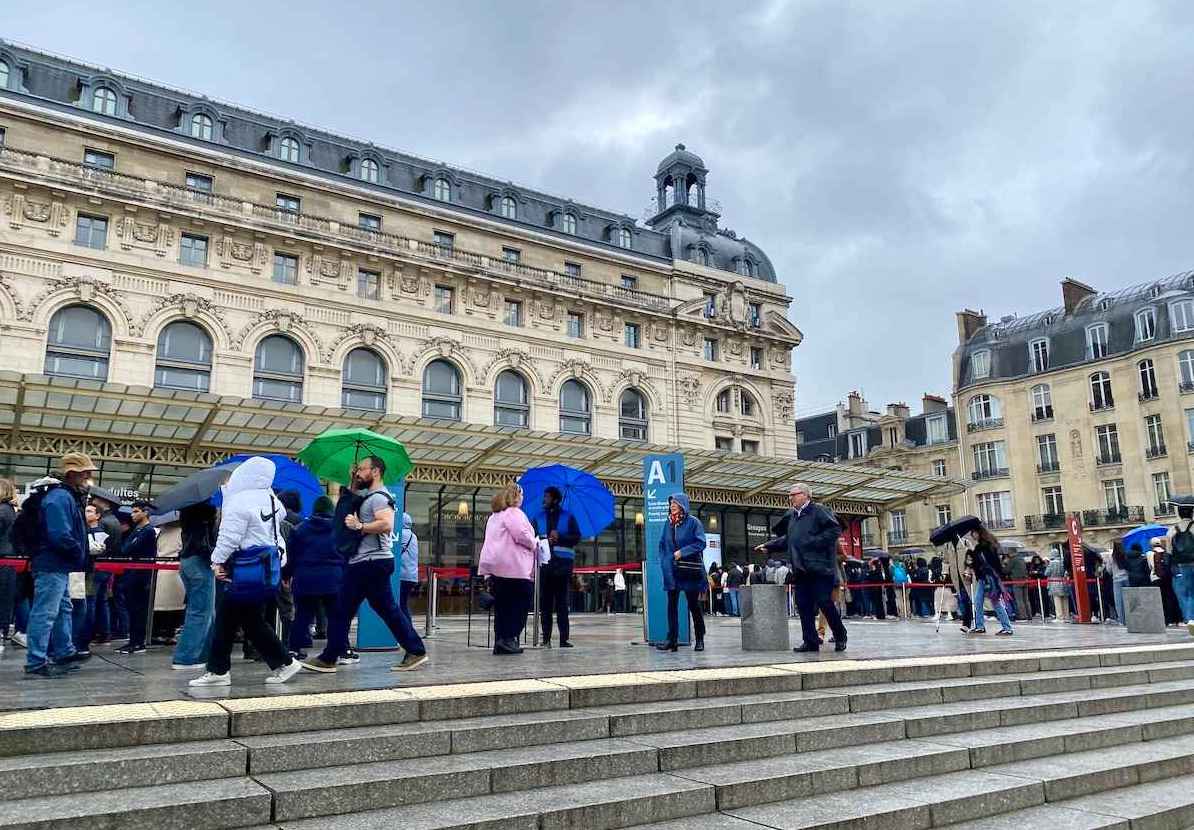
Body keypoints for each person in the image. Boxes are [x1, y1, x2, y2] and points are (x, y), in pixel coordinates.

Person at [304, 456, 428, 673]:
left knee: (343, 610)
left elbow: (387, 524)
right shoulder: (370, 496)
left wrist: (359, 525)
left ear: (376, 471)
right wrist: (352, 485)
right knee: (379, 609)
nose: (358, 473)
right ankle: (414, 650)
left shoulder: (379, 498)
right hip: (369, 562)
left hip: (369, 562)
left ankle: (330, 657)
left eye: (362, 469)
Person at [190, 457, 300, 686]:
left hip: (243, 566)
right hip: (263, 567)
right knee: (239, 618)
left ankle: (282, 663)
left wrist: (217, 561)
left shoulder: (239, 501)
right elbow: (275, 536)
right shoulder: (272, 501)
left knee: (241, 618)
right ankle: (220, 669)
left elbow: (229, 537)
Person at [23, 454, 95, 677]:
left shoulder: (61, 496)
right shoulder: (61, 497)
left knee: (62, 608)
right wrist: (77, 551)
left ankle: (64, 651)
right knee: (46, 612)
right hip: (53, 563)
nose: (89, 477)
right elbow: (60, 533)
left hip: (55, 563)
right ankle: (36, 661)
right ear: (72, 474)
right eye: (85, 473)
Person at [758, 483, 847, 653]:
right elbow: (789, 540)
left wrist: (813, 542)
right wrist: (769, 546)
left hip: (820, 568)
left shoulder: (819, 510)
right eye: (790, 495)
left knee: (824, 602)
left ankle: (840, 634)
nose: (791, 497)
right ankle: (810, 641)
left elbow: (834, 529)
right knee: (803, 605)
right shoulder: (793, 516)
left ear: (806, 495)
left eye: (794, 494)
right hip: (801, 569)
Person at [477, 482, 537, 655]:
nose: (523, 499)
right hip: (514, 567)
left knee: (502, 606)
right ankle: (509, 639)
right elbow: (521, 535)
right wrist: (535, 543)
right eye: (522, 495)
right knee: (520, 603)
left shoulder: (494, 516)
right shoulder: (514, 513)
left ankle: (500, 641)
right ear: (516, 496)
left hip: (496, 568)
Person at [284, 495, 341, 659]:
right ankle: (340, 650)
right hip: (333, 579)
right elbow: (346, 553)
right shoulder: (338, 529)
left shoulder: (300, 529)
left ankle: (294, 649)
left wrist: (286, 575)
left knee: (302, 615)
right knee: (336, 616)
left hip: (305, 578)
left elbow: (292, 555)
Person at [656, 493, 706, 652]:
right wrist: (664, 560)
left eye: (675, 503)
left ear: (683, 505)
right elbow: (663, 544)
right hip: (672, 571)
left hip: (689, 570)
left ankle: (699, 639)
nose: (672, 505)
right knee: (672, 606)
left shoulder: (693, 522)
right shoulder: (668, 523)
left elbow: (700, 543)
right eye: (671, 503)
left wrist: (682, 552)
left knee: (693, 605)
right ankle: (672, 640)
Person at [172, 502, 218, 669]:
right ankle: (187, 657)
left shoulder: (187, 514)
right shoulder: (204, 519)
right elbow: (204, 545)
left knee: (206, 611)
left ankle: (204, 654)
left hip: (187, 561)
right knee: (200, 612)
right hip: (201, 563)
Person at [535, 486, 580, 648]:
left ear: (554, 499)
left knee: (562, 604)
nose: (544, 499)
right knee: (545, 605)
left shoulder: (568, 517)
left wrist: (560, 537)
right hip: (545, 566)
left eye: (546, 497)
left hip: (562, 567)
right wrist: (545, 539)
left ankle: (564, 639)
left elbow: (576, 538)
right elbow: (533, 538)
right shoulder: (538, 518)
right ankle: (546, 639)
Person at [114, 501, 157, 655]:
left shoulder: (148, 531)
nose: (133, 515)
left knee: (138, 610)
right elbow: (124, 547)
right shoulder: (137, 530)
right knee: (133, 609)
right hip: (131, 574)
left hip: (141, 576)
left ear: (145, 513)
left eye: (136, 511)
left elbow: (128, 549)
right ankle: (133, 641)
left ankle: (138, 642)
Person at [87, 491, 123, 643]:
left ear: (104, 503)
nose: (93, 501)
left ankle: (90, 633)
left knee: (91, 600)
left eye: (95, 500)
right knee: (103, 600)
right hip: (109, 565)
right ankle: (105, 632)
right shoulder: (115, 520)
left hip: (98, 565)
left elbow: (97, 545)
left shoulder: (102, 523)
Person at [963, 527, 1013, 635]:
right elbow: (976, 562)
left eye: (974, 533)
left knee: (995, 602)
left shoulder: (985, 546)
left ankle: (1007, 627)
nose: (973, 535)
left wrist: (972, 551)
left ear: (979, 533)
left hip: (989, 578)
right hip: (983, 578)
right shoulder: (982, 546)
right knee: (978, 601)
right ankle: (980, 626)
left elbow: (985, 562)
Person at [1170, 510, 1194, 634]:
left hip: (1181, 565)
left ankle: (1190, 619)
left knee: (1187, 594)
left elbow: (1169, 551)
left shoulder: (1173, 529)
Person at [0, 479, 18, 642]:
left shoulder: (2, 511)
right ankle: (3, 629)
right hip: (10, 560)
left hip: (3, 558)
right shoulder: (11, 510)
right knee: (6, 598)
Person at [397, 512, 419, 627]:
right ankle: (406, 629)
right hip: (411, 576)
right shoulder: (413, 535)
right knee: (403, 603)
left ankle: (407, 630)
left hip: (403, 575)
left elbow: (395, 550)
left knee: (401, 604)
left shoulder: (401, 534)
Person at [1046, 552, 1071, 622]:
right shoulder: (1062, 562)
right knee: (1065, 600)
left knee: (1057, 600)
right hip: (1063, 581)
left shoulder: (1051, 563)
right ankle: (1066, 616)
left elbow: (1047, 573)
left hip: (1054, 582)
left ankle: (1059, 617)